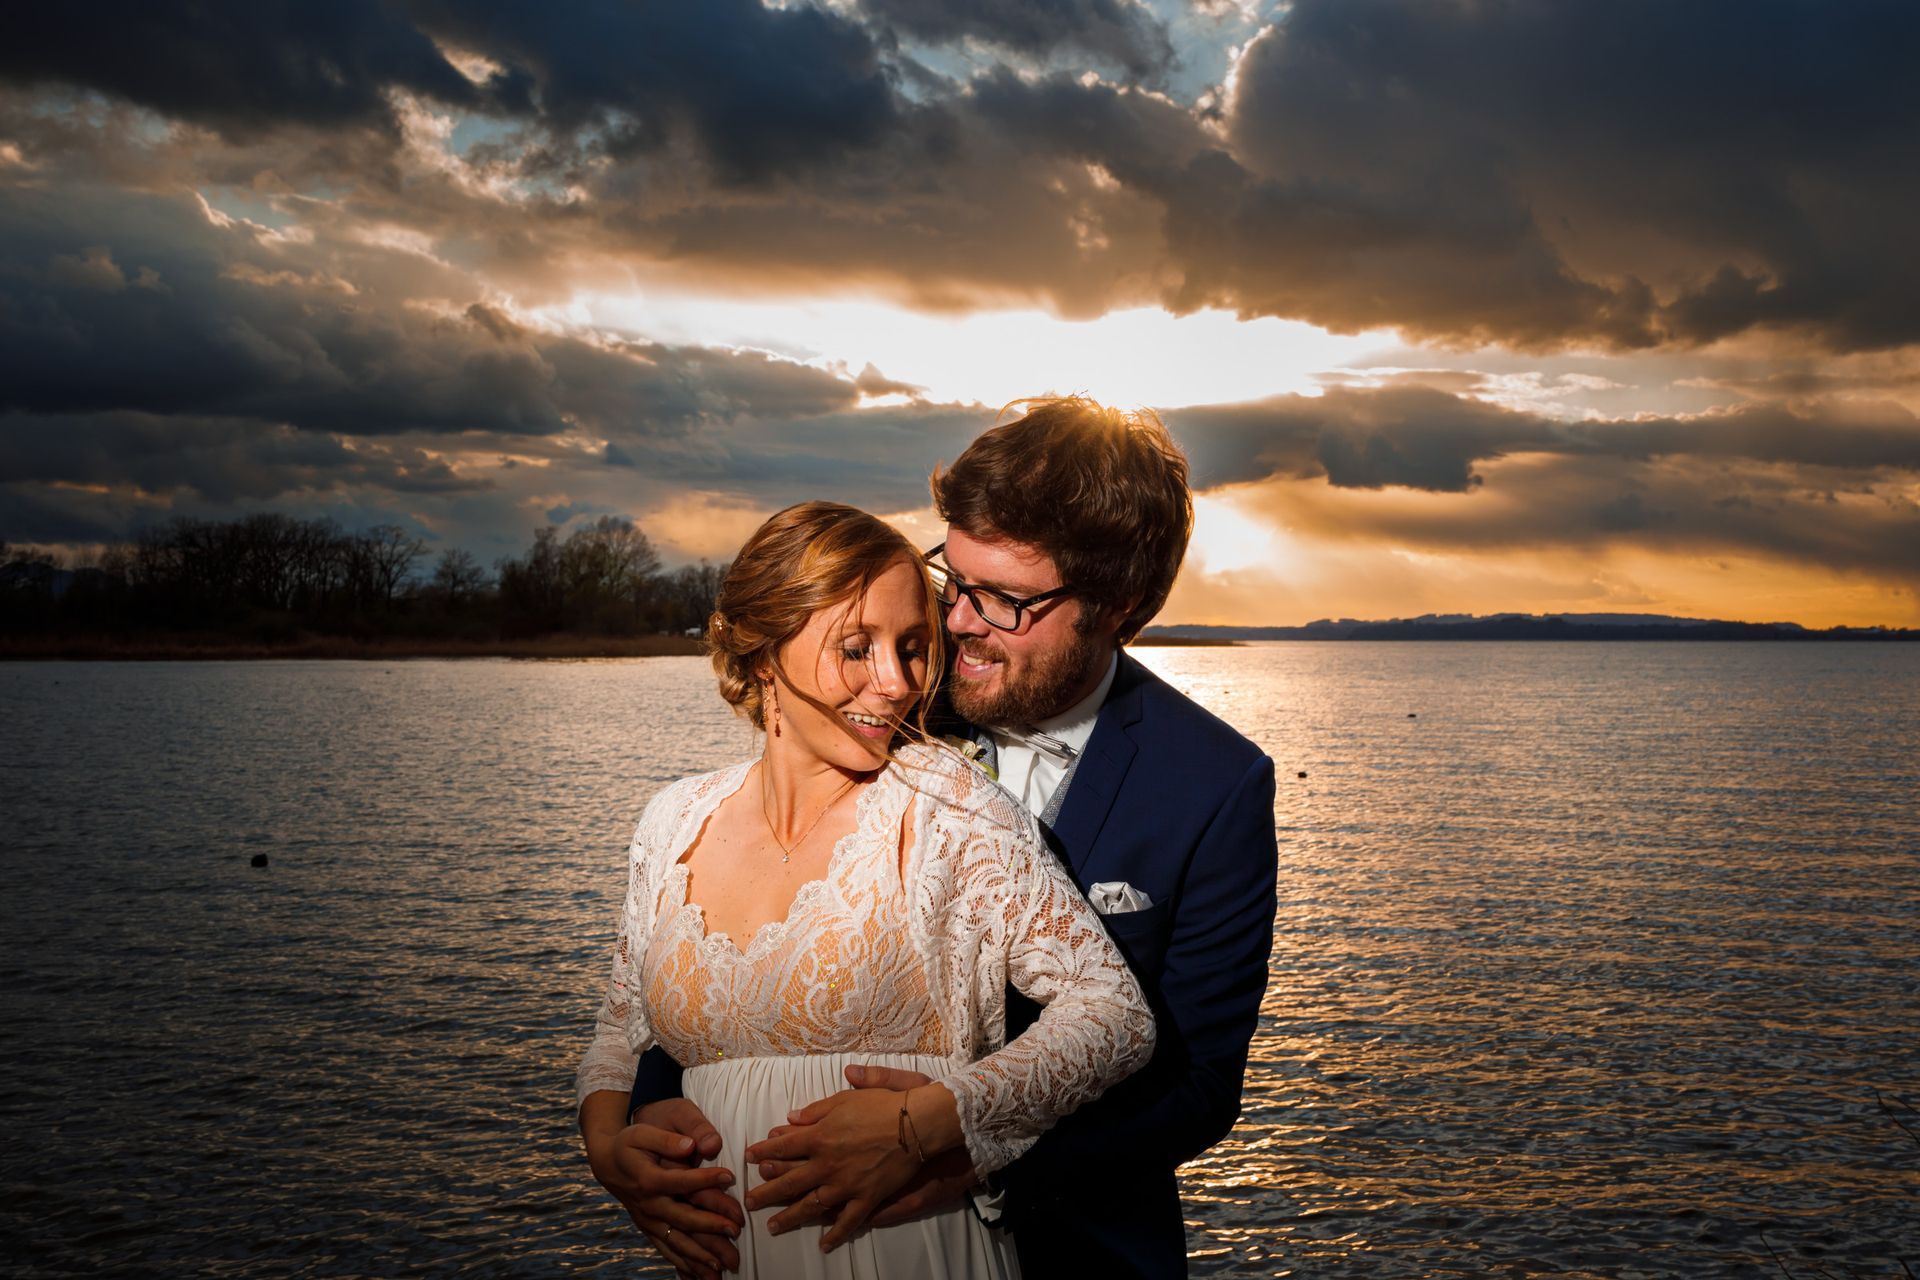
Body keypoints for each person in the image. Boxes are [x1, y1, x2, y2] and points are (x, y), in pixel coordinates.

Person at [616, 400, 1280, 1279]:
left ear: (1115, 607)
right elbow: (735, 937)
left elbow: (1196, 1089)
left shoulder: (1214, 782)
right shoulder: (878, 699)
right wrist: (645, 1130)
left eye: (1004, 599)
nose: (958, 621)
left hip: (1081, 1253)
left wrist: (965, 1158)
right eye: (953, 577)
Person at [576, 500, 1156, 1279]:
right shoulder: (673, 819)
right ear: (761, 653)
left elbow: (1112, 1015)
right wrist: (611, 1150)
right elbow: (620, 1028)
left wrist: (932, 1122)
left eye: (914, 648)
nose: (895, 684)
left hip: (906, 1247)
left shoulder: (945, 801)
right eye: (858, 648)